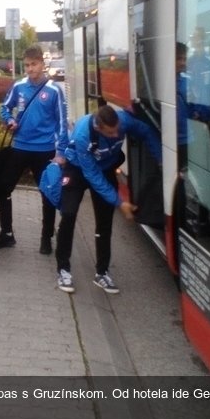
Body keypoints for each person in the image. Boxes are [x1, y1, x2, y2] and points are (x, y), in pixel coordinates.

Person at [54, 104, 161, 294]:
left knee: (104, 223)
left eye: (117, 131)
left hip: (105, 167)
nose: (116, 135)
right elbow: (93, 177)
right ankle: (63, 269)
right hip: (78, 169)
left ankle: (102, 272)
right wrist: (120, 202)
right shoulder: (83, 135)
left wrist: (161, 159)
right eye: (110, 133)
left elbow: (145, 131)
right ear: (98, 128)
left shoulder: (123, 122)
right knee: (69, 214)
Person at [0, 46, 69, 253]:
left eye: (34, 64)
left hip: (45, 150)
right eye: (27, 65)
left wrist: (61, 153)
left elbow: (62, 122)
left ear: (42, 64)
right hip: (19, 147)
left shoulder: (54, 90)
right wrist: (9, 119)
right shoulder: (19, 86)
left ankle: (46, 237)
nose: (30, 69)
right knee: (2, 188)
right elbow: (4, 107)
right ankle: (7, 234)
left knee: (47, 194)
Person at [176, 41, 210, 170]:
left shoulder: (187, 82)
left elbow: (195, 105)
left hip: (187, 139)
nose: (182, 62)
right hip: (170, 139)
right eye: (178, 59)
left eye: (184, 59)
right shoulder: (162, 85)